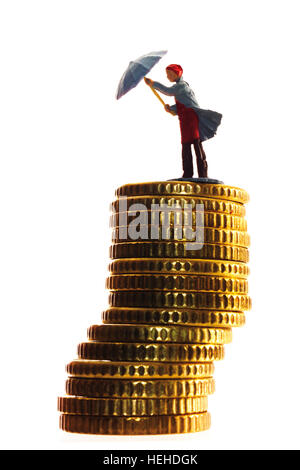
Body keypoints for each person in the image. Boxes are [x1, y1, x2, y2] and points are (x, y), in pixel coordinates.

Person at [145, 64, 222, 178]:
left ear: (178, 74)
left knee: (196, 144)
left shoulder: (181, 86)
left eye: (170, 74)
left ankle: (203, 173)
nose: (168, 77)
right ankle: (187, 173)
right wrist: (170, 109)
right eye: (167, 75)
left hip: (191, 119)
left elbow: (168, 91)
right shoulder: (178, 87)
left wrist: (153, 84)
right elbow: (182, 104)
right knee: (185, 145)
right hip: (184, 120)